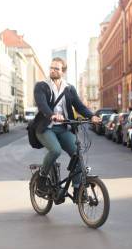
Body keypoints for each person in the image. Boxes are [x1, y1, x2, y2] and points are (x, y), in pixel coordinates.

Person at [33, 57, 101, 202]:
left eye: (56, 68)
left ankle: (78, 189)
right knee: (55, 150)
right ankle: (42, 177)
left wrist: (92, 116)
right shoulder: (41, 86)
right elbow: (42, 104)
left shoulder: (69, 88)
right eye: (51, 67)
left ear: (63, 71)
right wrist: (52, 115)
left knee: (77, 154)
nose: (52, 70)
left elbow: (79, 106)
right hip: (46, 128)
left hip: (63, 128)